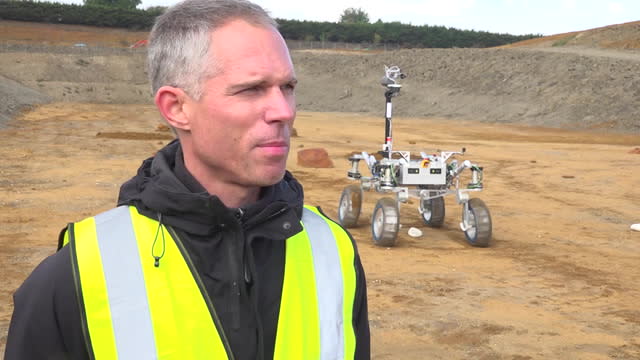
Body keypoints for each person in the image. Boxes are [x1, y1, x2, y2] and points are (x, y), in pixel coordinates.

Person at [3, 0, 370, 358]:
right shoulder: (74, 277)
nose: (284, 111)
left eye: (287, 87)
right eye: (251, 89)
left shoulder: (333, 251)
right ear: (177, 108)